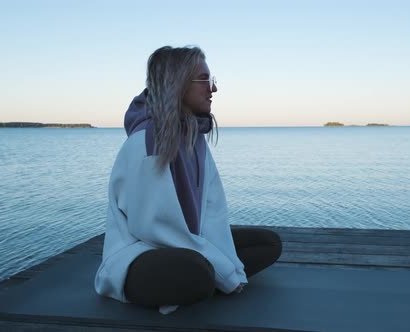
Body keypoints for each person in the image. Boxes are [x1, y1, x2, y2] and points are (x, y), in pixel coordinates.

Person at [94, 46, 282, 310]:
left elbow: (214, 213)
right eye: (204, 79)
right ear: (178, 83)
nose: (213, 88)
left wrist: (226, 266)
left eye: (211, 79)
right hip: (141, 253)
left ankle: (205, 271)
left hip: (189, 246)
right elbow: (155, 229)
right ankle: (202, 275)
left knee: (268, 244)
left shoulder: (195, 139)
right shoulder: (146, 142)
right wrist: (225, 273)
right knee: (198, 274)